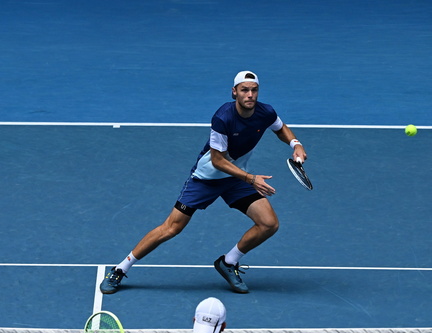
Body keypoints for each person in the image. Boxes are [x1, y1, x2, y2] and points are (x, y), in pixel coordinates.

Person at [100, 70, 308, 295]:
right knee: (172, 228)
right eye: (244, 90)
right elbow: (218, 161)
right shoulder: (223, 118)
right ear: (234, 92)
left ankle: (228, 263)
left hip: (236, 177)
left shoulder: (265, 112)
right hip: (207, 178)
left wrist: (295, 144)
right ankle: (120, 269)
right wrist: (251, 179)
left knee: (269, 224)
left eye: (254, 90)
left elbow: (280, 128)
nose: (250, 95)